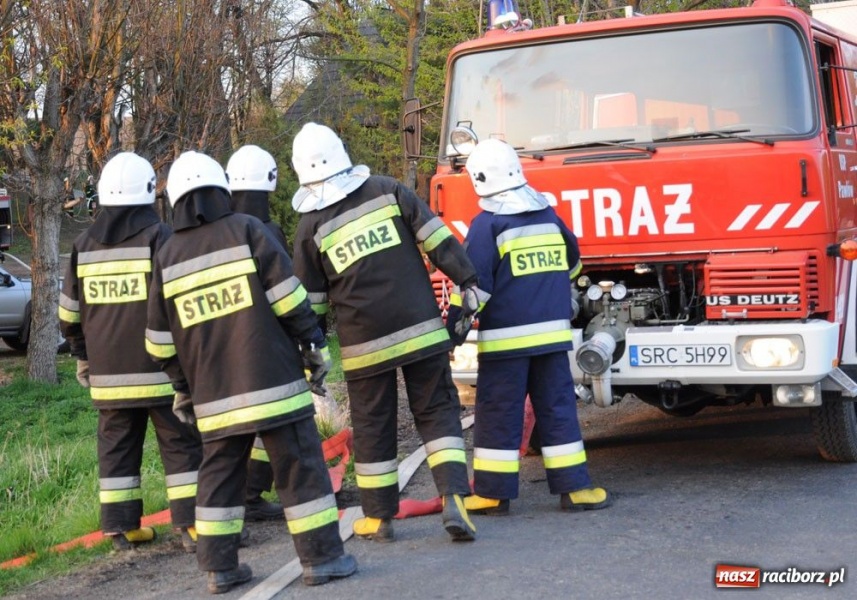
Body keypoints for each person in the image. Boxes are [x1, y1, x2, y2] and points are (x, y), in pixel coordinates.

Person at [146, 150, 356, 594]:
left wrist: (183, 388)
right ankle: (322, 560)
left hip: (214, 398)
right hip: (275, 384)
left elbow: (159, 343)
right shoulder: (248, 230)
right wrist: (313, 346)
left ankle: (219, 570)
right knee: (300, 467)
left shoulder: (166, 255)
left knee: (219, 476)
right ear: (221, 190)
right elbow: (287, 299)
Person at [290, 122, 479, 544]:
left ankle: (378, 518)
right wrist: (468, 281)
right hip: (422, 330)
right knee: (436, 410)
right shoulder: (388, 190)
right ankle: (453, 498)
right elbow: (437, 240)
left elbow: (311, 305)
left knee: (373, 424)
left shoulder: (309, 227)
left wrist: (313, 354)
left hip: (364, 345)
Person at [446, 138, 611, 516]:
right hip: (553, 337)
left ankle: (491, 493)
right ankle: (575, 489)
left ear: (479, 180)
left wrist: (454, 326)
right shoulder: (548, 216)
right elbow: (572, 265)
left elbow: (475, 286)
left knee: (498, 412)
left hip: (507, 342)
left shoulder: (487, 224)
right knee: (557, 409)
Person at [58, 152, 202, 553]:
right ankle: (191, 524)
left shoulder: (83, 245)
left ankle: (121, 528)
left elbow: (68, 313)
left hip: (108, 377)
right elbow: (176, 300)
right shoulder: (160, 238)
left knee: (116, 448)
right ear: (147, 194)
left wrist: (81, 353)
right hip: (160, 372)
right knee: (181, 443)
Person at [224, 144, 287, 522]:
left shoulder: (213, 233)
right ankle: (252, 492)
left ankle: (237, 497)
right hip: (267, 347)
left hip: (220, 348)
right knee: (276, 423)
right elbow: (287, 291)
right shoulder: (269, 231)